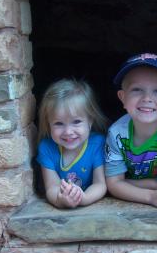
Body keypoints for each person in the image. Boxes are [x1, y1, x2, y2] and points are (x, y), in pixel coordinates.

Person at [105, 53, 157, 208]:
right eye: (137, 89)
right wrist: (150, 196)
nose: (147, 98)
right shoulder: (116, 132)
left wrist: (122, 184)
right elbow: (113, 184)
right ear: (122, 98)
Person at [36, 79, 108, 208]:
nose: (68, 132)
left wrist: (84, 198)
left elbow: (100, 184)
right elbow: (52, 186)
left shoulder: (97, 143)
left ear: (90, 121)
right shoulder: (46, 147)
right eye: (59, 123)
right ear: (49, 124)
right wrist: (60, 199)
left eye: (76, 122)